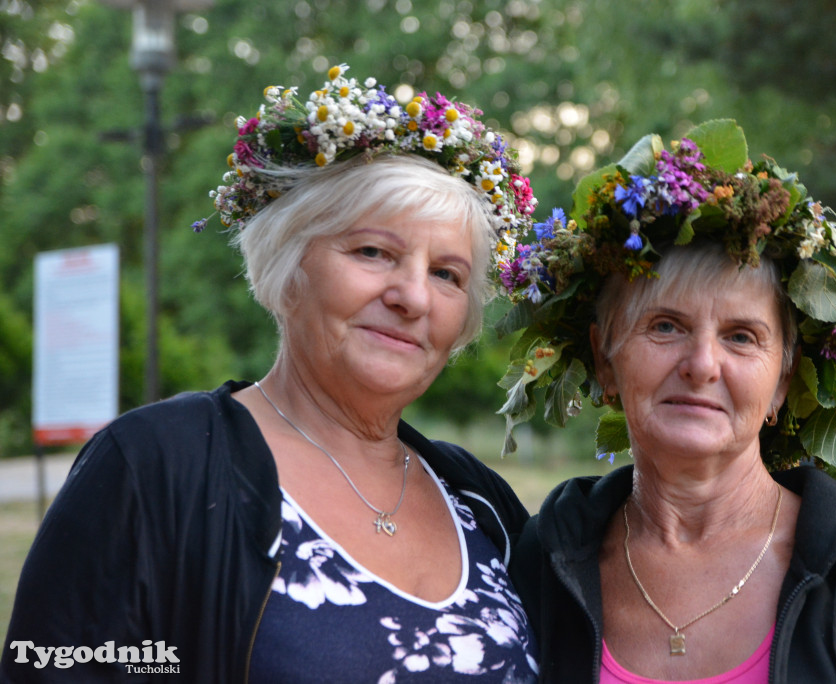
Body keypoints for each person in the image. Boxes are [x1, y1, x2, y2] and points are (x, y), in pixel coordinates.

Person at [1, 65, 541, 683]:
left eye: (447, 274)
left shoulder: (479, 501)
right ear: (288, 264)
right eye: (373, 252)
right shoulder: (154, 467)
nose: (413, 297)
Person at [495, 120, 836, 683]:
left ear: (783, 380)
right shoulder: (543, 566)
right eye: (665, 326)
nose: (703, 364)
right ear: (605, 359)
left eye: (741, 336)